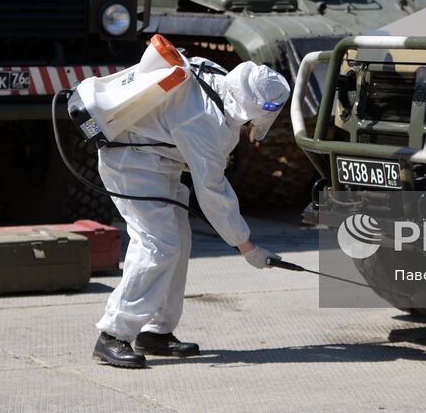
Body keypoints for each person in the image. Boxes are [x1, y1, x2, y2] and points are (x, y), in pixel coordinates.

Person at [92, 52, 290, 369]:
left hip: (156, 160)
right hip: (131, 164)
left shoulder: (218, 78)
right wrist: (246, 246)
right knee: (157, 244)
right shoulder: (205, 122)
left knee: (178, 241)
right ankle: (113, 335)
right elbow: (213, 193)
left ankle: (156, 331)